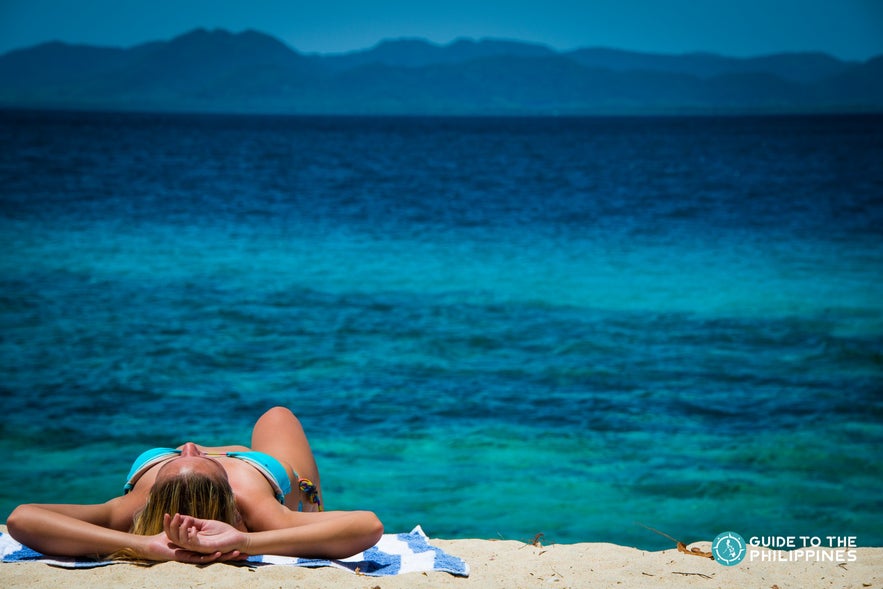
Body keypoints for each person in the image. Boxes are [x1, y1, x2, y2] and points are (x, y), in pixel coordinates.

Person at [6, 407, 383, 563]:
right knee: (277, 416)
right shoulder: (255, 504)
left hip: (210, 478)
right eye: (195, 456)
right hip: (274, 475)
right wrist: (246, 541)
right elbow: (368, 526)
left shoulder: (133, 505)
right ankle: (310, 505)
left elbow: (24, 517)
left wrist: (141, 544)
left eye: (175, 457)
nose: (187, 445)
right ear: (227, 489)